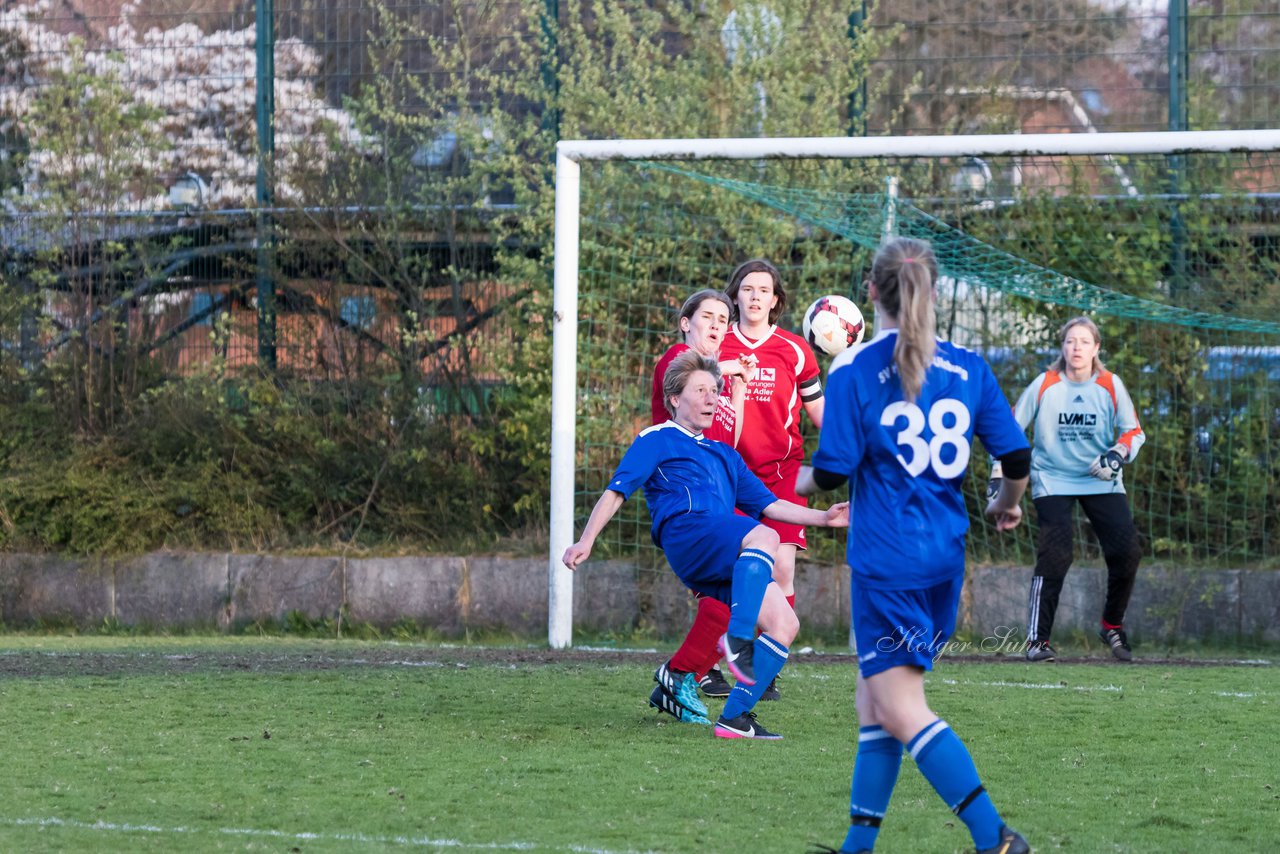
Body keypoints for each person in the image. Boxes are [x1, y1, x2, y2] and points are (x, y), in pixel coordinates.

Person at [801, 237, 1033, 854]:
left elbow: (830, 472)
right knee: (874, 700)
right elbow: (1015, 456)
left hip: (887, 562)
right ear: (932, 292)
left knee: (902, 707)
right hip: (942, 561)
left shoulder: (852, 371)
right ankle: (858, 845)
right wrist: (1006, 503)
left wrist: (770, 482)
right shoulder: (968, 367)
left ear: (870, 293)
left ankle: (997, 839)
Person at [564, 349, 849, 739]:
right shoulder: (657, 437)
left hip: (720, 545)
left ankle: (735, 719)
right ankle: (737, 637)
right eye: (700, 390)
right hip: (688, 534)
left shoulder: (723, 454)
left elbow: (770, 503)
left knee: (785, 623)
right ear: (675, 399)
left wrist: (823, 517)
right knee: (764, 534)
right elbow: (617, 491)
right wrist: (586, 540)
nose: (712, 397)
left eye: (715, 390)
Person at [992, 316, 1145, 663]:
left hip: (1101, 478)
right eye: (1070, 341)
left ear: (1096, 348)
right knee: (1057, 553)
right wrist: (998, 473)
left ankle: (1112, 625)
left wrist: (1116, 455)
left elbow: (1132, 432)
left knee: (1128, 552)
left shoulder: (1110, 384)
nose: (1076, 348)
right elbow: (1008, 429)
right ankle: (1037, 641)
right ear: (1062, 347)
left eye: (1084, 342)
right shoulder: (1045, 384)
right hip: (1052, 478)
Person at [646, 290, 759, 722]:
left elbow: (732, 443)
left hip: (716, 503)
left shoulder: (718, 387)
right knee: (746, 588)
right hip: (687, 505)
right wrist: (731, 368)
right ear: (685, 323)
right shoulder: (678, 360)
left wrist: (739, 387)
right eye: (707, 316)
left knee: (728, 599)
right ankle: (686, 674)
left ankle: (682, 677)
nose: (716, 325)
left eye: (723, 319)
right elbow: (690, 374)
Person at [717, 258, 825, 700]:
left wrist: (854, 445)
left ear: (776, 299)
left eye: (764, 289)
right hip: (727, 473)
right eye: (748, 288)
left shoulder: (795, 349)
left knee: (782, 566)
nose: (756, 296)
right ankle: (713, 662)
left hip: (781, 472)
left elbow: (819, 413)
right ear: (736, 295)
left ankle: (767, 665)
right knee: (733, 572)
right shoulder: (717, 344)